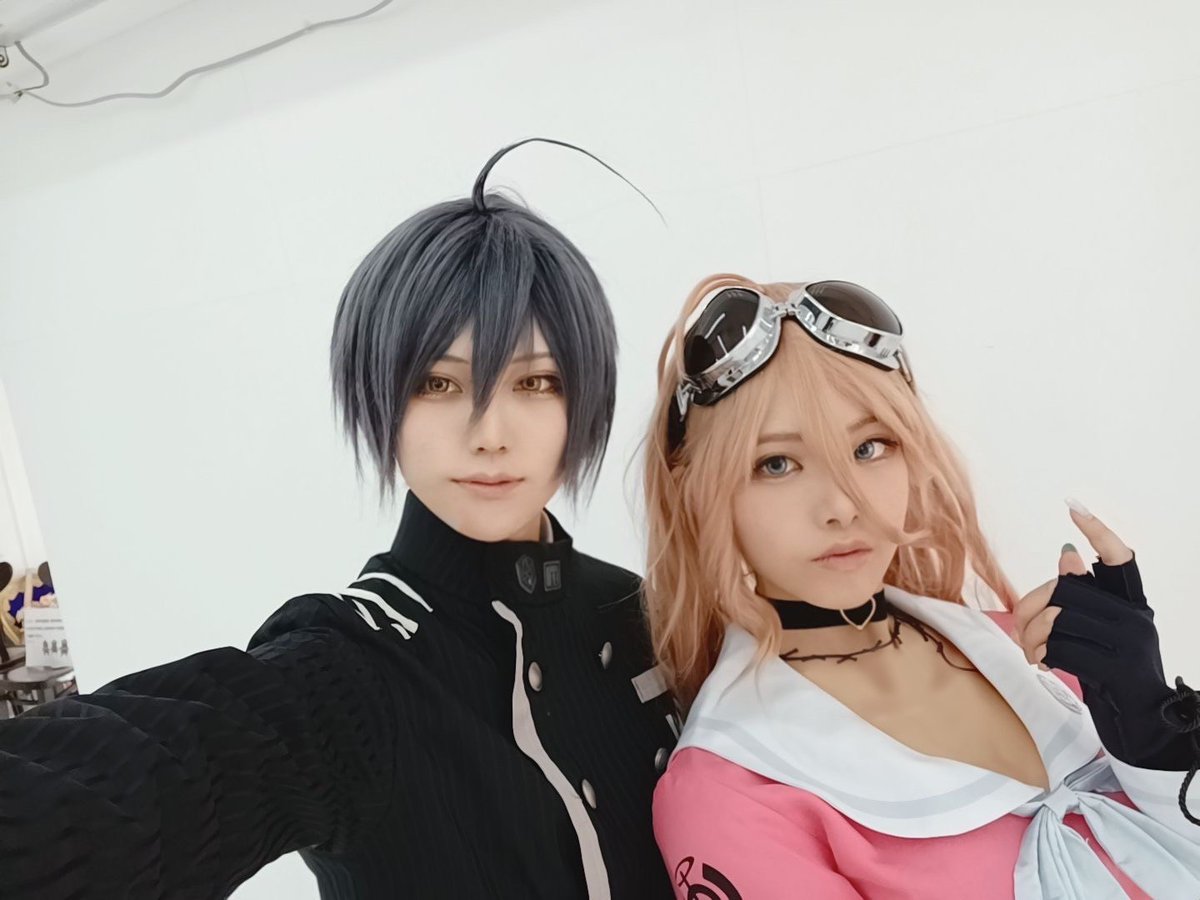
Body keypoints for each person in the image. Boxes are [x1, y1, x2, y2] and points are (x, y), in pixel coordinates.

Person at [0, 140, 678, 900]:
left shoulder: (638, 609)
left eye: (536, 382)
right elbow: (150, 779)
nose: (490, 433)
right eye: (438, 384)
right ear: (379, 400)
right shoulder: (353, 671)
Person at [642, 274, 1200, 899]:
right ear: (697, 489)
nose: (842, 506)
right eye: (777, 464)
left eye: (869, 447)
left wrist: (1158, 726)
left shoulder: (1030, 648)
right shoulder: (729, 792)